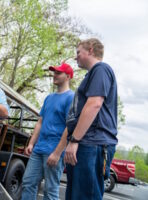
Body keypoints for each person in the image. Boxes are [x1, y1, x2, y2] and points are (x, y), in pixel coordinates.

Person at [64, 38, 118, 200]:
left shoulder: (101, 69)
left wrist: (74, 140)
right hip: (86, 143)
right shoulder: (92, 74)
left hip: (92, 143)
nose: (76, 57)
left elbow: (94, 104)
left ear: (91, 50)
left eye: (78, 52)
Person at [21, 63, 74, 200]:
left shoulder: (71, 97)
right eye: (54, 72)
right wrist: (31, 143)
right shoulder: (49, 98)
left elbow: (70, 127)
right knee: (28, 183)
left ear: (68, 76)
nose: (54, 75)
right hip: (38, 149)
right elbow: (40, 122)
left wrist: (57, 153)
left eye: (58, 73)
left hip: (54, 150)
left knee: (50, 191)